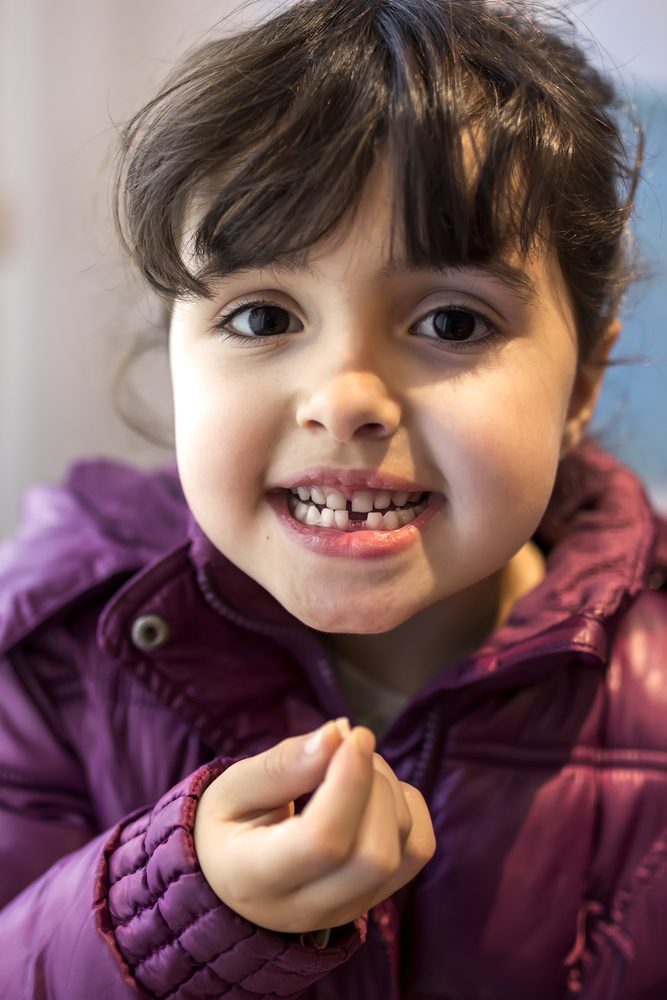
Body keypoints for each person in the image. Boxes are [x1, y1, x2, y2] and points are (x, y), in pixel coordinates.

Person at [1, 0, 666, 996]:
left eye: (451, 320)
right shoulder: (48, 654)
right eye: (263, 314)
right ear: (177, 360)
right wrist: (180, 908)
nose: (346, 399)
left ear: (579, 386)